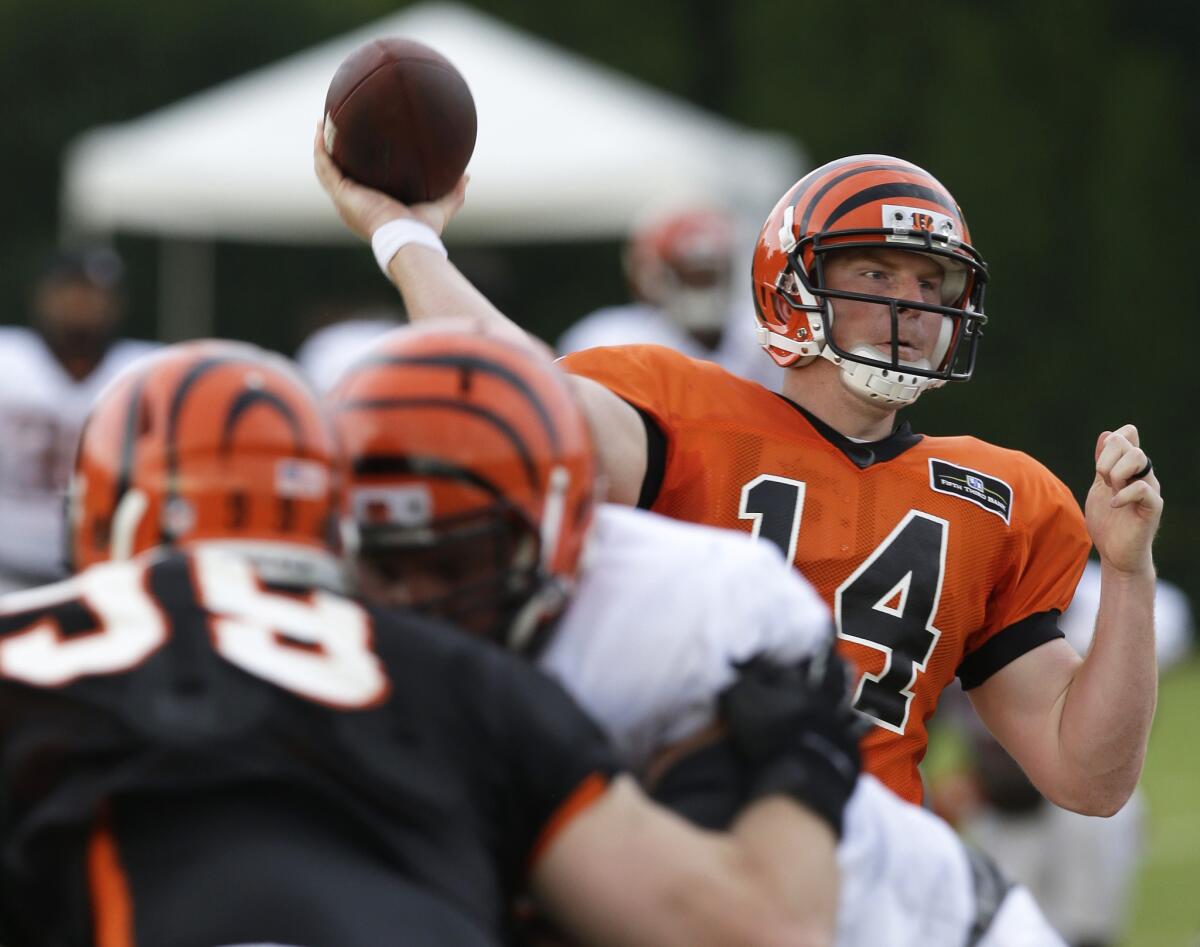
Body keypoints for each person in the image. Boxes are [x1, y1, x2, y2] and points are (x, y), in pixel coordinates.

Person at [314, 135, 1163, 815]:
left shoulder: (998, 496)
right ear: (792, 281)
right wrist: (406, 236)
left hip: (874, 873)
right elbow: (510, 392)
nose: (912, 304)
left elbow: (1088, 778)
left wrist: (1127, 575)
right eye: (875, 272)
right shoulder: (682, 411)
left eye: (932, 281)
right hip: (681, 846)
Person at [0, 338, 847, 947]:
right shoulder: (463, 674)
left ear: (98, 521)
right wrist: (806, 755)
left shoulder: (24, 648)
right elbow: (759, 926)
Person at [328, 324, 1066, 947]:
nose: (416, 598)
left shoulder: (686, 604)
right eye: (387, 563)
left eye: (456, 555)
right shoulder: (299, 661)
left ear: (563, 515)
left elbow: (766, 922)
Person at [934, 562, 1194, 947]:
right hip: (1002, 805)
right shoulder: (949, 612)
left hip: (1080, 808)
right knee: (1008, 932)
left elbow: (1117, 715)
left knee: (1084, 930)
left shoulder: (1091, 600)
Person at [0, 245, 157, 593]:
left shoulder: (148, 371)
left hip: (105, 577)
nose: (81, 303)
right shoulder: (8, 359)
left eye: (93, 292)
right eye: (70, 289)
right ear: (43, 295)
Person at [556, 205, 783, 389]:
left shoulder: (767, 336)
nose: (702, 287)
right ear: (653, 274)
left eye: (710, 275)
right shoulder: (610, 338)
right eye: (689, 275)